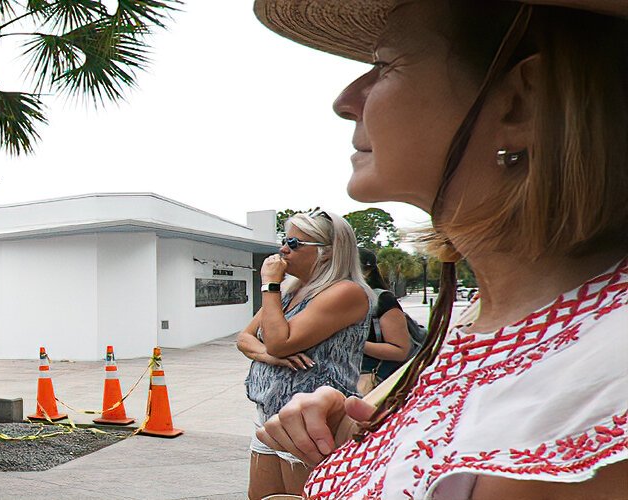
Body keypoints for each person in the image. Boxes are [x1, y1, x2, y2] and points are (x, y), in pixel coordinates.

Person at [251, 1, 628, 498]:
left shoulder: (597, 389)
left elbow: (273, 341)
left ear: (521, 102)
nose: (346, 99)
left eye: (385, 65)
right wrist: (367, 440)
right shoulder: (480, 320)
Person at [236, 211, 372, 498]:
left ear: (326, 252)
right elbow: (245, 339)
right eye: (284, 240)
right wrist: (270, 357)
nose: (283, 249)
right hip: (269, 414)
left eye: (294, 243)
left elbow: (279, 342)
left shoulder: (345, 291)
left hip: (310, 421)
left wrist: (269, 284)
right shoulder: (290, 292)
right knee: (262, 496)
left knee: (301, 496)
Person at [356, 248, 415, 394]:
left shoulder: (382, 300)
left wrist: (352, 342)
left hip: (370, 379)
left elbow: (400, 350)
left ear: (367, 271)